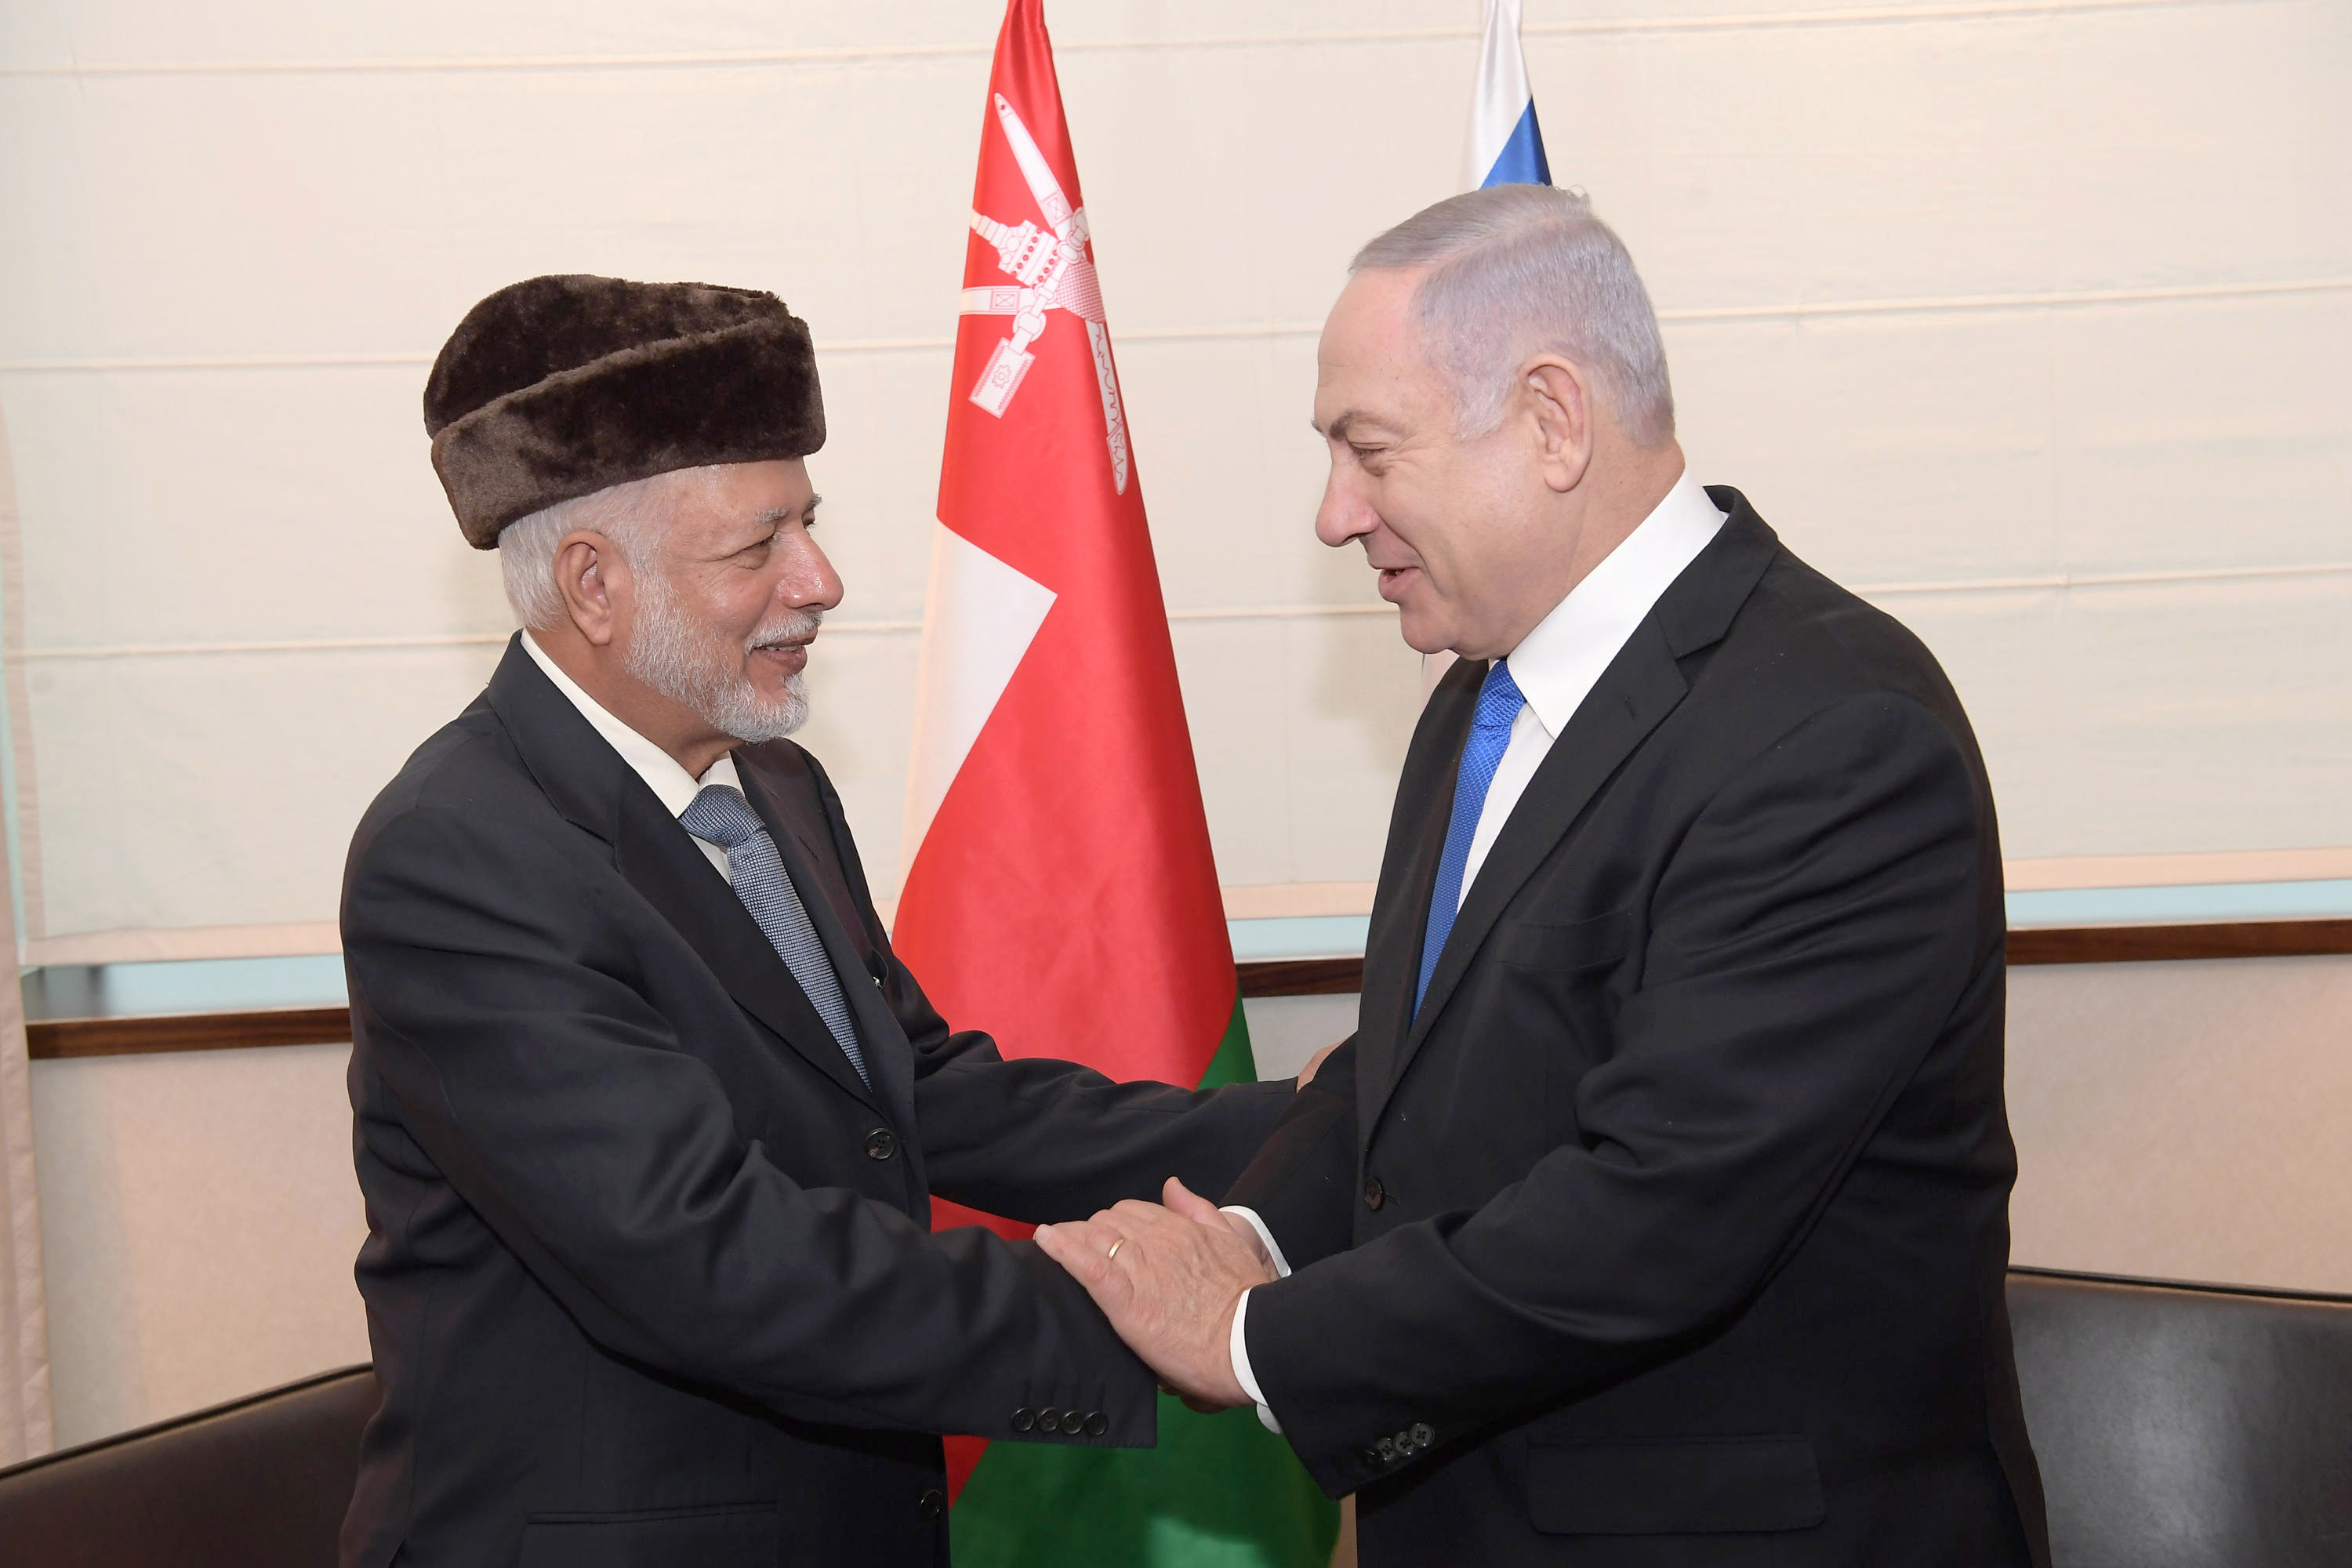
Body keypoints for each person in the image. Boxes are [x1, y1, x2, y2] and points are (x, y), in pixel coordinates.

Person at [1034, 186, 2052, 1566]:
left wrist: (1252, 1333)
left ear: (1553, 420)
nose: (1335, 515)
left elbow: (1662, 1212)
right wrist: (1254, 1235)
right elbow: (1412, 1082)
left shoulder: (1833, 736)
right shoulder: (1480, 692)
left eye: (1369, 451)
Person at [339, 275, 1295, 1568]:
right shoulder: (458, 858)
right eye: (760, 544)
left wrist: (1318, 1127)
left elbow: (925, 1096)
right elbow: (712, 1258)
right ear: (593, 583)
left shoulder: (770, 779)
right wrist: (1160, 1307)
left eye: (813, 523)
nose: (824, 578)